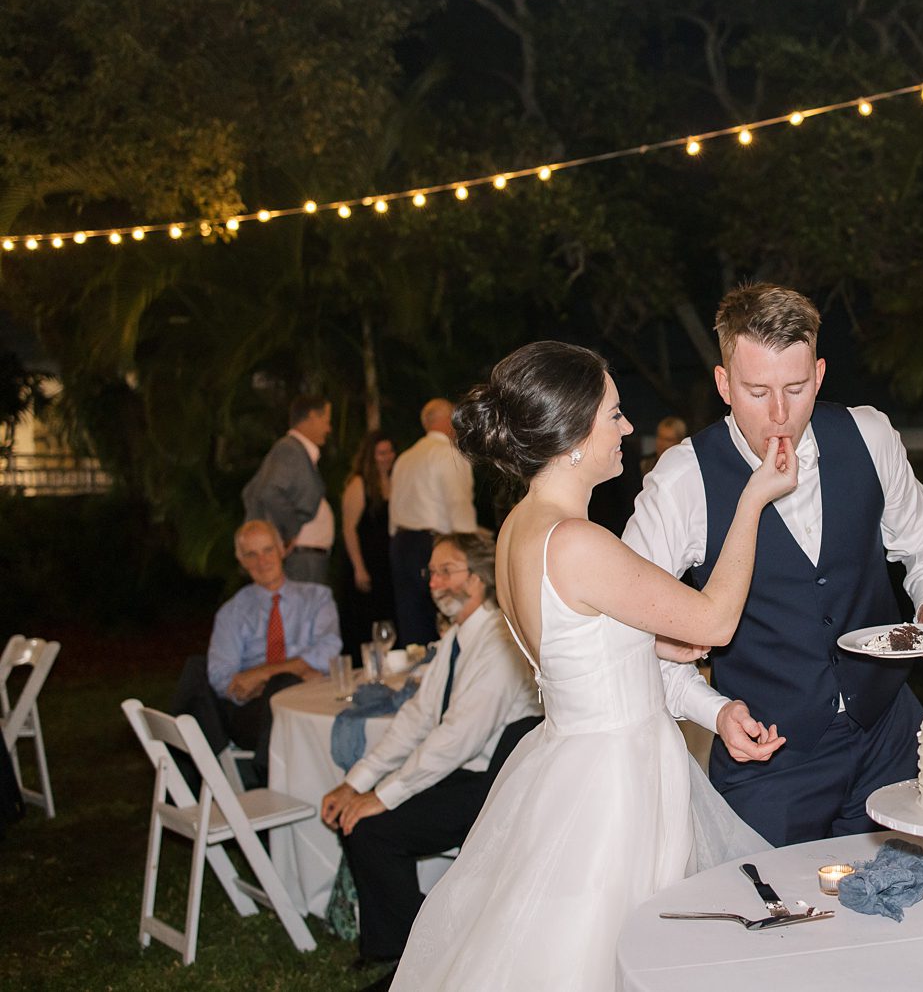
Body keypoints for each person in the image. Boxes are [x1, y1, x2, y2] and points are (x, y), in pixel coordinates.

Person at [389, 340, 792, 991]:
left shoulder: (520, 526)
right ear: (573, 433)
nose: (627, 428)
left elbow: (575, 641)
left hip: (572, 762)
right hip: (616, 783)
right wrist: (752, 501)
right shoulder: (577, 541)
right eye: (615, 413)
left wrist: (651, 645)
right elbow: (716, 619)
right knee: (618, 954)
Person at [623, 282, 923, 846]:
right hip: (770, 760)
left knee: (915, 906)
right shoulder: (682, 479)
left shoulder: (870, 435)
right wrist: (712, 710)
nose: (780, 414)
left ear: (821, 375)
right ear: (724, 384)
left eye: (796, 388)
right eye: (757, 392)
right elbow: (629, 624)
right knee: (775, 924)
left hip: (890, 735)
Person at [321, 532, 543, 981]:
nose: (434, 582)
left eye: (446, 571)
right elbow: (417, 719)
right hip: (460, 773)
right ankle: (398, 947)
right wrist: (357, 782)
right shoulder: (458, 639)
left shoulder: (499, 641)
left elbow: (458, 739)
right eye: (432, 573)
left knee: (374, 828)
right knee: (361, 820)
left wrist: (383, 796)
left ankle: (416, 954)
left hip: (494, 787)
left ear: (478, 579)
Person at [171, 520, 341, 787]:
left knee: (283, 681)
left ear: (283, 550)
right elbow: (221, 676)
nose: (262, 561)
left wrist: (261, 674)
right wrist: (294, 672)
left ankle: (267, 780)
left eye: (268, 550)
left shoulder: (317, 598)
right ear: (241, 560)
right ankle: (268, 777)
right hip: (253, 712)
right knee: (284, 683)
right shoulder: (232, 612)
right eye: (251, 554)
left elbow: (328, 649)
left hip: (309, 705)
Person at [388, 399, 477, 646]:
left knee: (412, 625)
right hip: (433, 547)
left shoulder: (405, 458)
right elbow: (459, 506)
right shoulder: (447, 453)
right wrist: (470, 552)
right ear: (450, 421)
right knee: (449, 618)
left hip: (401, 545)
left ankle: (420, 678)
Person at [242, 394, 336, 584]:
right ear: (311, 417)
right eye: (326, 421)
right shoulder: (290, 449)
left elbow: (251, 492)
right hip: (301, 558)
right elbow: (269, 491)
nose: (329, 429)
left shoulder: (295, 451)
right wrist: (290, 531)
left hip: (305, 556)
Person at [340, 430, 398, 648]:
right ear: (370, 455)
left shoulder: (397, 479)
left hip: (388, 565)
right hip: (366, 564)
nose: (387, 457)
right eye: (381, 453)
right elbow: (348, 529)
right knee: (365, 622)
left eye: (390, 452)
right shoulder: (358, 483)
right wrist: (359, 568)